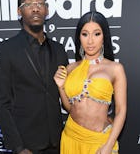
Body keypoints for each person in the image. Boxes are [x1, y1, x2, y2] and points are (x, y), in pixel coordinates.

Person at [0, 0, 68, 154]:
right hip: (26, 145)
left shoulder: (59, 50)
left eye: (40, 3)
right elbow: (1, 104)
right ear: (19, 12)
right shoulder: (6, 49)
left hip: (58, 142)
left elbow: (68, 94)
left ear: (47, 10)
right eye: (28, 4)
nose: (35, 8)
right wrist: (18, 147)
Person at [54, 11, 127, 154]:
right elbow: (70, 108)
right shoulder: (71, 68)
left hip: (99, 142)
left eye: (97, 34)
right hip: (71, 136)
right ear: (79, 37)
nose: (90, 41)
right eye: (85, 34)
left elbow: (121, 111)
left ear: (104, 36)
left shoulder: (115, 69)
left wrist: (109, 144)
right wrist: (61, 86)